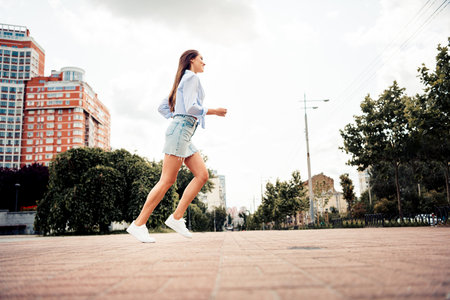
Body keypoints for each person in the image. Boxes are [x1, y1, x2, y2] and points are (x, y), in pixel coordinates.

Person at [126, 49, 227, 243]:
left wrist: (177, 117)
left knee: (202, 175)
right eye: (201, 59)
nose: (204, 63)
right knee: (167, 181)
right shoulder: (191, 79)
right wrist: (213, 111)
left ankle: (176, 217)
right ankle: (138, 224)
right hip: (181, 131)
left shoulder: (182, 80)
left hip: (185, 133)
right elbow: (190, 107)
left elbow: (163, 107)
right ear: (191, 60)